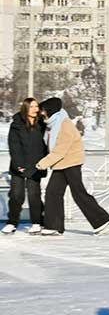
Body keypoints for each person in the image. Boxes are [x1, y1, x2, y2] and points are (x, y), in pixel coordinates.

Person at [37, 97, 109, 236]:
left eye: (43, 110)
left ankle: (103, 221)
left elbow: (60, 150)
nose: (42, 113)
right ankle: (54, 226)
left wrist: (41, 164)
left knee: (78, 193)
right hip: (61, 165)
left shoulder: (64, 125)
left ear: (50, 110)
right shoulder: (53, 124)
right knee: (52, 193)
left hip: (71, 163)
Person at [6, 98, 48, 234]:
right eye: (32, 107)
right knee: (16, 195)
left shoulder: (42, 123)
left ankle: (37, 222)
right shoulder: (16, 124)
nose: (35, 109)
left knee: (34, 194)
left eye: (37, 106)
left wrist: (45, 161)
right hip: (19, 165)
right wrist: (19, 165)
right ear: (25, 108)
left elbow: (46, 143)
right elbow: (14, 145)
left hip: (36, 165)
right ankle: (12, 222)